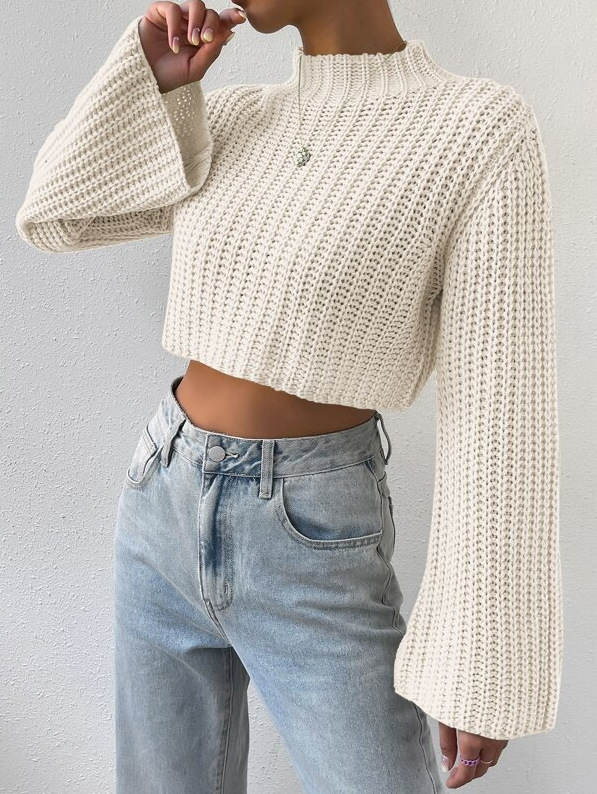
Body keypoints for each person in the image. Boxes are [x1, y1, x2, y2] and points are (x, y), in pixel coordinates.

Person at [15, 1, 563, 791]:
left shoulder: (476, 130)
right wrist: (147, 76)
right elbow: (57, 212)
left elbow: (501, 406)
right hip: (160, 500)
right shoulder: (236, 115)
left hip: (313, 535)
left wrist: (485, 664)